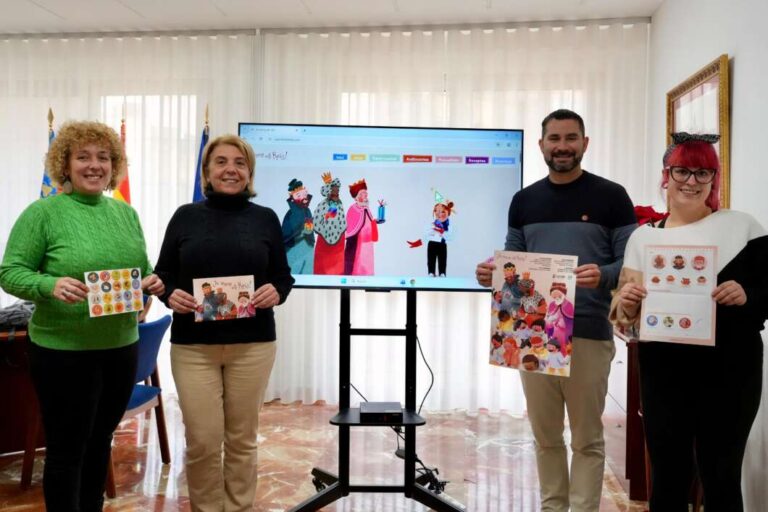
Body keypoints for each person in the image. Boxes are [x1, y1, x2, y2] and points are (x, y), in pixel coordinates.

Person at [476, 109, 637, 511]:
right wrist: (492, 275)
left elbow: (632, 262)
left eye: (570, 138)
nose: (562, 146)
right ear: (541, 145)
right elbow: (514, 263)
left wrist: (602, 274)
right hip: (534, 335)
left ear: (585, 143)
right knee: (545, 437)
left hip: (588, 332)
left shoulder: (612, 196)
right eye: (554, 138)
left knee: (587, 440)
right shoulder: (524, 201)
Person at [0, 120, 165, 512]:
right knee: (67, 449)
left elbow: (140, 268)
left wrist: (152, 280)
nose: (94, 165)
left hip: (121, 347)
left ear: (114, 165)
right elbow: (9, 272)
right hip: (63, 352)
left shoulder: (125, 214)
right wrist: (49, 285)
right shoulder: (42, 213)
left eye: (103, 157)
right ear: (65, 164)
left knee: (100, 442)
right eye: (83, 157)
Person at [610, 133, 768, 511]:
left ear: (714, 178)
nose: (692, 181)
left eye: (703, 172)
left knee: (721, 474)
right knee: (668, 475)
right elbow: (621, 318)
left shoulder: (743, 227)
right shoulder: (643, 238)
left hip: (732, 370)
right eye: (682, 171)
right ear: (666, 175)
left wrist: (747, 295)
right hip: (664, 372)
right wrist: (626, 301)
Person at [154, 134, 294, 512]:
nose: (230, 169)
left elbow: (283, 276)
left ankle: (238, 508)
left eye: (239, 162)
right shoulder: (185, 216)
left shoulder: (266, 218)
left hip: (253, 346)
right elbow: (163, 273)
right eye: (221, 162)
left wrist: (277, 291)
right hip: (193, 349)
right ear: (207, 171)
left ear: (249, 173)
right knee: (202, 441)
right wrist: (170, 294)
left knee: (242, 440)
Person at [344, 178, 380, 275]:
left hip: (368, 242)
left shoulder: (366, 208)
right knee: (356, 262)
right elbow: (351, 226)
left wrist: (376, 221)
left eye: (365, 193)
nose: (365, 196)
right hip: (357, 241)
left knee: (367, 261)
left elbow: (370, 220)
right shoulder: (353, 209)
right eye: (362, 193)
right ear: (356, 197)